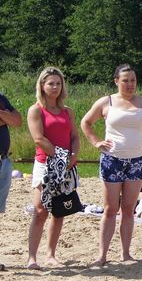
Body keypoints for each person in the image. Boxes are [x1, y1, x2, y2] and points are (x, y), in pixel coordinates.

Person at [81, 64, 142, 266]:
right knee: (110, 209)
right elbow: (86, 122)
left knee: (128, 209)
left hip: (136, 161)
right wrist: (96, 142)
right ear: (116, 81)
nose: (130, 84)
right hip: (112, 159)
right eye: (125, 80)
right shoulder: (106, 102)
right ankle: (102, 255)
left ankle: (126, 253)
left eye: (133, 80)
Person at [26, 67, 81, 269]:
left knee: (59, 210)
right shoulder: (36, 110)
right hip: (45, 164)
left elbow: (74, 137)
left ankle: (51, 254)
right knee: (40, 210)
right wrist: (61, 157)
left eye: (58, 83)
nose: (55, 87)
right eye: (51, 83)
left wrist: (73, 156)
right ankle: (32, 257)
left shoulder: (68, 111)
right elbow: (38, 138)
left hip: (66, 165)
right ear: (42, 85)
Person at [0, 87, 22, 270]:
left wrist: (2, 114)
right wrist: (4, 116)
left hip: (3, 161)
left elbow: (16, 121)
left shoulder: (0, 97)